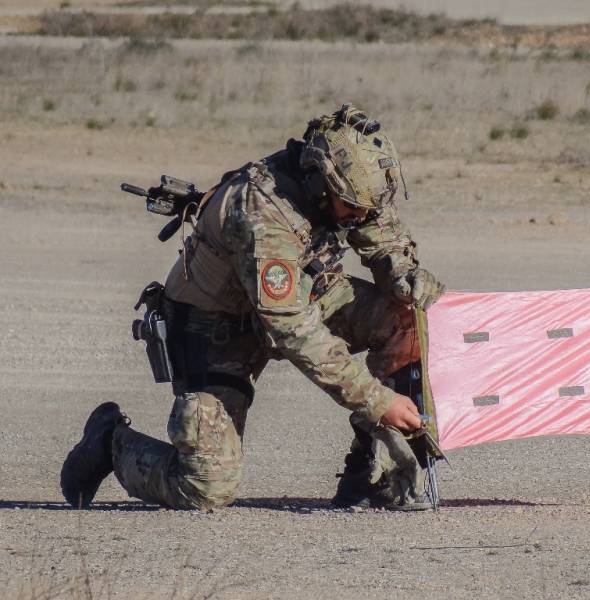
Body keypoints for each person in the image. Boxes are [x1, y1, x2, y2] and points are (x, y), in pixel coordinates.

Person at [60, 105, 445, 511]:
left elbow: (377, 229)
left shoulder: (350, 184)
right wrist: (379, 401)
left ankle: (370, 474)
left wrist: (403, 273)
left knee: (403, 318)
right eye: (353, 208)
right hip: (216, 330)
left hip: (304, 293)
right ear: (319, 182)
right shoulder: (262, 214)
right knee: (205, 487)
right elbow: (296, 332)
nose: (362, 216)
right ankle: (109, 442)